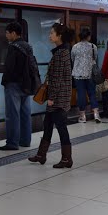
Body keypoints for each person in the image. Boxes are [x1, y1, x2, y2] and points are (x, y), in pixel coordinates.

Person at [28, 23, 74, 169]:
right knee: (47, 125)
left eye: (52, 33)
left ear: (59, 36)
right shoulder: (62, 51)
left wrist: (52, 98)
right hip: (59, 96)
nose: (50, 35)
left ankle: (67, 158)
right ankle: (41, 155)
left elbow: (58, 79)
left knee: (61, 128)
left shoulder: (61, 54)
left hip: (58, 99)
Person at [0, 22, 39, 150]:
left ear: (13, 33)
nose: (6, 35)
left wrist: (5, 82)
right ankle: (25, 140)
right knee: (25, 113)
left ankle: (12, 143)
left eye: (7, 32)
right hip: (26, 85)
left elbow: (9, 68)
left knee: (12, 114)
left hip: (14, 85)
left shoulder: (13, 47)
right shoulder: (28, 46)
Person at [71, 27, 101, 123]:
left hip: (78, 74)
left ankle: (82, 116)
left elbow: (73, 59)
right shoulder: (93, 46)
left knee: (81, 94)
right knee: (92, 93)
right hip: (90, 74)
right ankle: (96, 114)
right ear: (88, 36)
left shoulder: (75, 47)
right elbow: (95, 58)